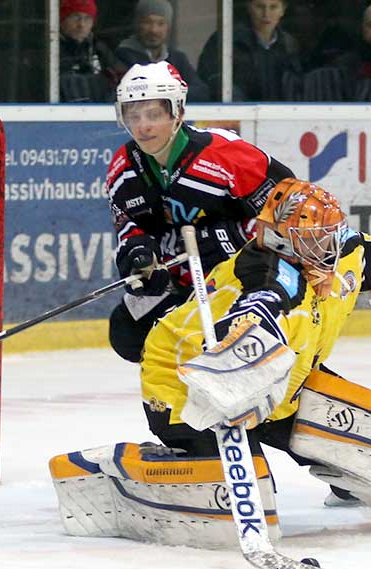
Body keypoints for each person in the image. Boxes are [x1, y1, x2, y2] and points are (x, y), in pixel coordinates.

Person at [50, 178, 371, 548]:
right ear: (283, 236)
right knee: (234, 509)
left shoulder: (343, 250)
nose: (328, 246)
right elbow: (259, 311)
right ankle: (107, 473)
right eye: (315, 238)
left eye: (331, 235)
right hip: (188, 386)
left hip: (285, 383)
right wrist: (233, 373)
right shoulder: (270, 269)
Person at [106, 60, 294, 365]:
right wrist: (139, 255)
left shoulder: (225, 156)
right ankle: (181, 377)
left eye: (153, 114)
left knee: (236, 333)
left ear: (177, 111)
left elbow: (292, 209)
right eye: (133, 115)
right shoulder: (124, 168)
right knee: (128, 329)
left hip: (242, 278)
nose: (143, 126)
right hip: (184, 282)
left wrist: (231, 237)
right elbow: (128, 224)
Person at [197, 0, 302, 101]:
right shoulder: (226, 40)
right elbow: (210, 79)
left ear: (283, 10)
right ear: (249, 7)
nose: (266, 14)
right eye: (260, 6)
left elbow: (297, 87)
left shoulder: (290, 46)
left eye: (273, 7)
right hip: (237, 115)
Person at [115, 0, 210, 102]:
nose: (154, 30)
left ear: (168, 28)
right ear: (137, 24)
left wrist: (172, 92)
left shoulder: (177, 59)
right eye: (148, 22)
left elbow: (201, 92)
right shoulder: (122, 57)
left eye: (161, 23)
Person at [58, 0, 123, 102]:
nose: (81, 25)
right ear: (62, 20)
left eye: (87, 18)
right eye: (75, 17)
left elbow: (119, 80)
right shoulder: (51, 51)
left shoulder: (100, 49)